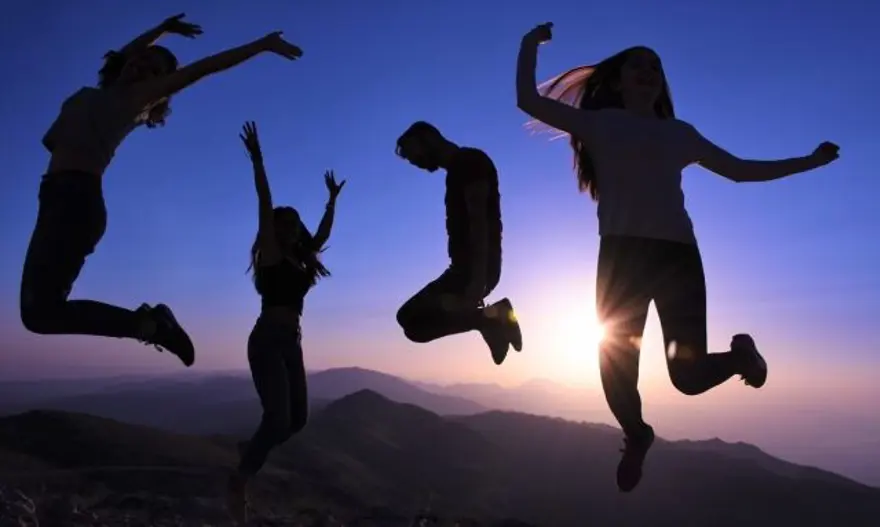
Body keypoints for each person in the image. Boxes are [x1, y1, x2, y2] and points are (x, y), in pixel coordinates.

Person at [515, 23, 840, 492]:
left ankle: (739, 357)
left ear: (660, 83)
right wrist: (530, 44)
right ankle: (638, 433)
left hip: (677, 258)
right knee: (614, 374)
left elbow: (741, 172)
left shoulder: (680, 134)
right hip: (622, 258)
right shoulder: (600, 123)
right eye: (637, 64)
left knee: (686, 378)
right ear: (620, 80)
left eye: (656, 66)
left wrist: (809, 161)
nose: (648, 71)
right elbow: (528, 99)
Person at [20, 12, 303, 367]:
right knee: (39, 312)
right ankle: (151, 325)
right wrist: (162, 30)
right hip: (55, 199)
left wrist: (262, 45)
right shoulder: (104, 91)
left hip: (75, 201)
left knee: (40, 313)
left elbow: (204, 68)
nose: (141, 68)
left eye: (155, 73)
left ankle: (153, 326)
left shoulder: (132, 100)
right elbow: (126, 55)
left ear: (157, 93)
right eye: (142, 62)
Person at [227, 121, 344, 523]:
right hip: (267, 339)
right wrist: (257, 159)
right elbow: (264, 201)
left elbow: (323, 234)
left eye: (292, 223)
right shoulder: (273, 257)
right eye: (281, 223)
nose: (287, 227)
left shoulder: (301, 257)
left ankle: (251, 449)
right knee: (277, 418)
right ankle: (241, 478)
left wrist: (331, 201)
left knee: (297, 420)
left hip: (291, 340)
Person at [394, 121, 523, 366]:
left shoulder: (468, 162)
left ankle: (492, 319)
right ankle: (490, 319)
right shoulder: (458, 170)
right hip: (466, 269)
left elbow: (479, 223)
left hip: (472, 270)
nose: (416, 163)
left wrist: (477, 279)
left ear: (427, 137)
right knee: (411, 323)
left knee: (411, 320)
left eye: (414, 154)